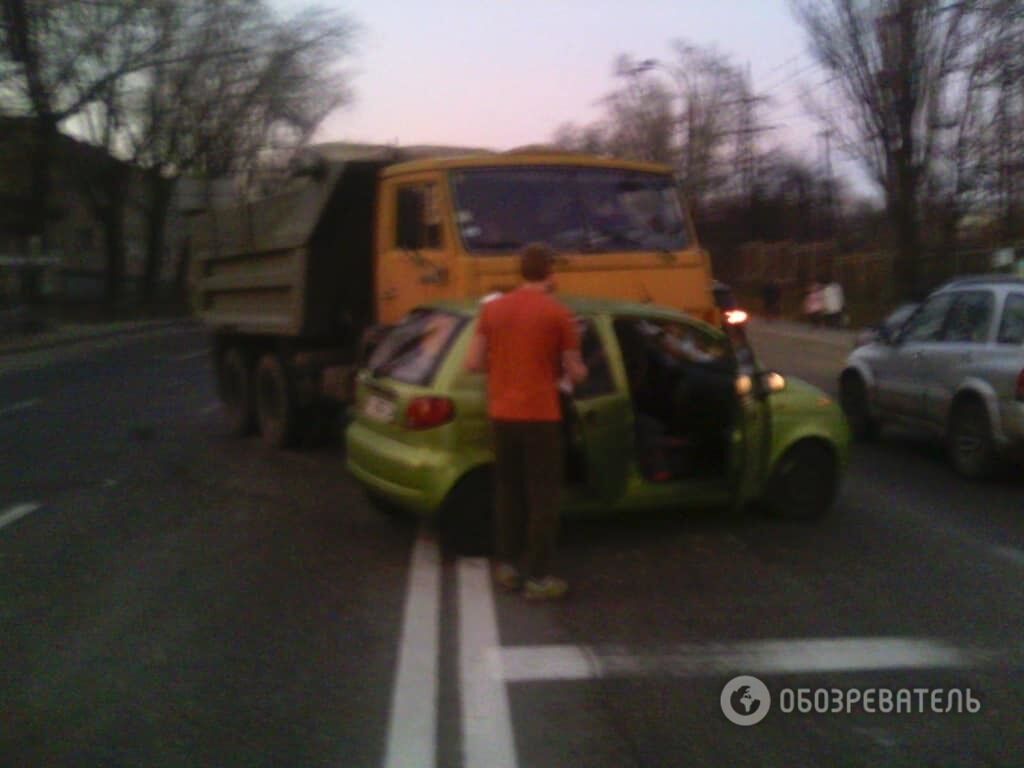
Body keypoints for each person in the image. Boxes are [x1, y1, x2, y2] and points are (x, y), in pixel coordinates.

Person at [464, 242, 587, 600]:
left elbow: (473, 363)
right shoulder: (559, 315)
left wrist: (505, 367)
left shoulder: (493, 310)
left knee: (508, 491)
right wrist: (580, 369)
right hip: (540, 416)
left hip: (502, 414)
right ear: (550, 272)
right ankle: (538, 577)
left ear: (521, 271)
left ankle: (507, 565)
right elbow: (574, 372)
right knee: (543, 497)